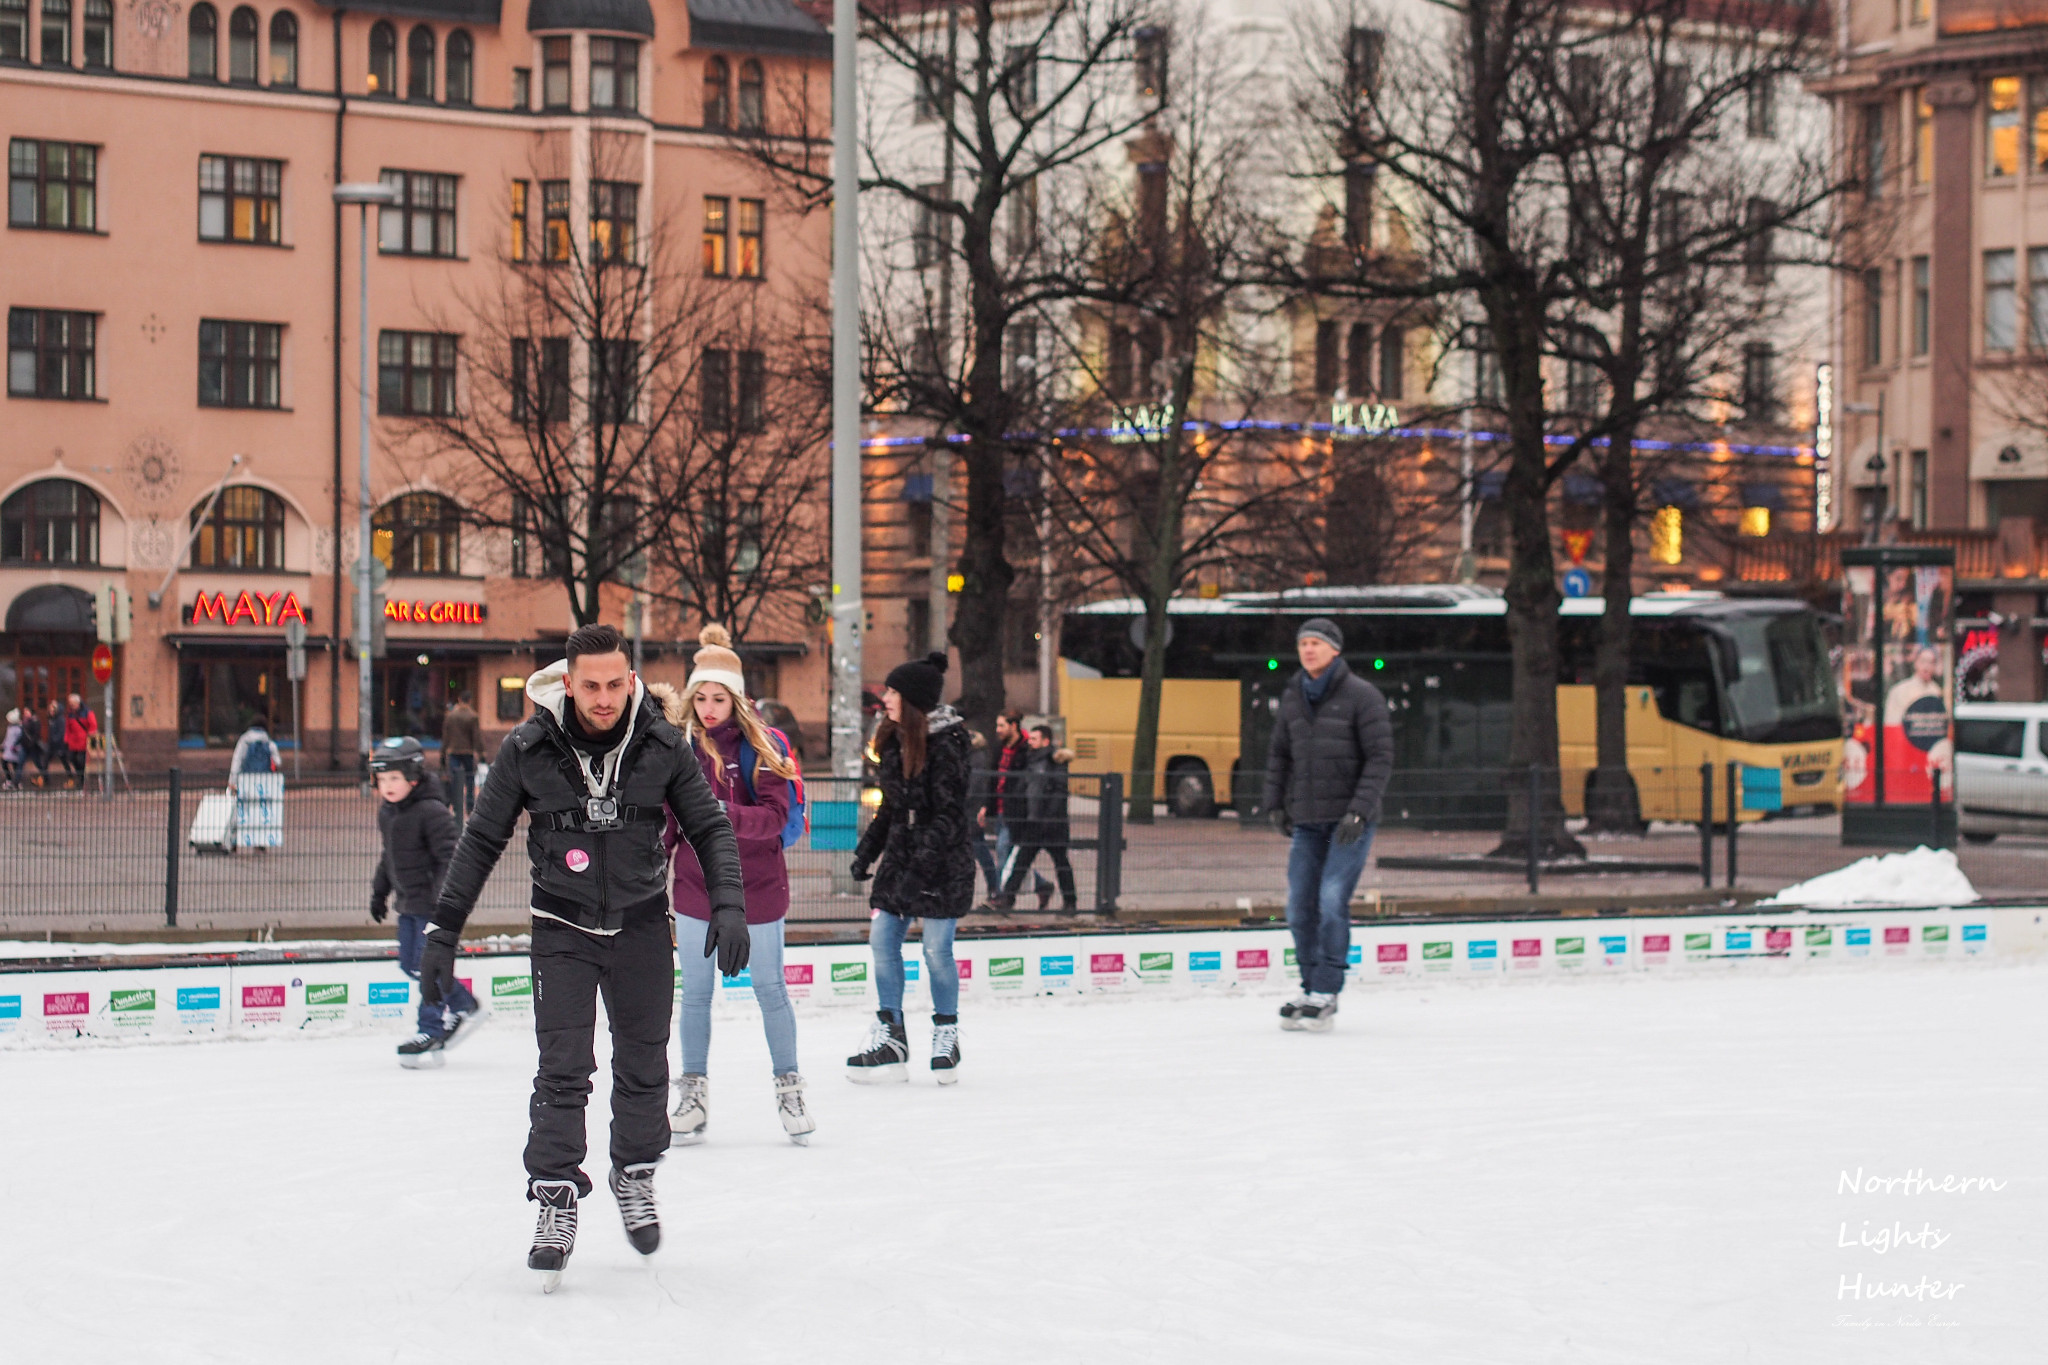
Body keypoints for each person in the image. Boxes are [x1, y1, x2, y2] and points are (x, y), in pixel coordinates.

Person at [424, 623, 746, 1291]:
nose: (603, 697)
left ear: (631, 681)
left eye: (614, 684)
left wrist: (729, 904)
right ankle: (555, 1198)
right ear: (567, 684)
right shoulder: (530, 747)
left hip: (640, 926)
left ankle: (634, 1172)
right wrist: (442, 931)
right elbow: (482, 837)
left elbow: (709, 825)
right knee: (562, 1068)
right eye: (590, 685)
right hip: (562, 926)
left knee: (643, 1062)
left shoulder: (662, 742)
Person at [658, 624, 815, 1148]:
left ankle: (789, 1087)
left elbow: (775, 816)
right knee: (696, 996)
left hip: (758, 888)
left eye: (717, 698)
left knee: (770, 989)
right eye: (699, 696)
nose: (707, 707)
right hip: (697, 888)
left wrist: (720, 813)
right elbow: (669, 822)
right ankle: (693, 1094)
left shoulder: (761, 746)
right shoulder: (680, 746)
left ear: (736, 699)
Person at [845, 652, 975, 1084]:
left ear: (914, 700)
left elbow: (948, 816)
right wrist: (867, 851)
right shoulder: (892, 740)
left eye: (893, 691)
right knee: (883, 942)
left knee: (936, 951)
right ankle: (892, 1036)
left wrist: (921, 867)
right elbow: (892, 810)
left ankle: (946, 1033)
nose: (885, 698)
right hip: (902, 859)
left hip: (942, 861)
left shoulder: (949, 744)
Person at [1261, 617, 1393, 1034]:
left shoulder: (1362, 696)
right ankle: (1309, 986)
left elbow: (1380, 758)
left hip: (1349, 821)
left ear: (1335, 650)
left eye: (1317, 643)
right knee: (1299, 905)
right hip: (1308, 821)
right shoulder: (1294, 696)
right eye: (1303, 643)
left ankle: (1326, 990)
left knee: (1332, 899)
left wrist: (1359, 811)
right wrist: (1275, 804)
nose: (1308, 650)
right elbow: (1279, 755)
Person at [369, 736, 485, 1068]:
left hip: (431, 906)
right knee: (410, 964)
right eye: (382, 780)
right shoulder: (388, 814)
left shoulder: (431, 812)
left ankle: (430, 1028)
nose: (388, 786)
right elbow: (388, 857)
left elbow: (450, 858)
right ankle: (464, 1003)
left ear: (413, 777)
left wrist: (443, 903)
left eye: (395, 778)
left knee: (426, 967)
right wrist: (380, 892)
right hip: (407, 904)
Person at [994, 724, 1078, 911]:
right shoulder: (1029, 760)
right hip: (1033, 823)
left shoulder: (1055, 762)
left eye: (1034, 738)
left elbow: (1059, 792)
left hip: (1051, 825)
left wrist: (1049, 817)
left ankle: (1070, 902)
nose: (1029, 742)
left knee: (1061, 863)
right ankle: (1007, 899)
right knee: (1021, 862)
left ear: (1045, 741)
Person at [979, 710, 1049, 908]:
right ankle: (1041, 885)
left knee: (1003, 850)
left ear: (1014, 726)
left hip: (1016, 810)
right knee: (1011, 856)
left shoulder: (1026, 750)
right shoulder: (1000, 748)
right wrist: (987, 806)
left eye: (1001, 725)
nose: (997, 730)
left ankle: (1001, 897)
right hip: (1001, 808)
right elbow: (993, 779)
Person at [229, 711, 283, 849]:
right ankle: (260, 842)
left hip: (246, 779)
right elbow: (277, 762)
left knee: (241, 808)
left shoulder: (244, 740)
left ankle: (234, 840)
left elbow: (237, 761)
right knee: (260, 810)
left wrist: (232, 781)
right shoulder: (268, 742)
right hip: (264, 781)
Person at [441, 690, 483, 824]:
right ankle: (469, 806)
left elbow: (445, 736)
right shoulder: (473, 716)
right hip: (467, 752)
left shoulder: (450, 715)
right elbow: (476, 736)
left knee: (454, 779)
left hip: (453, 750)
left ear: (459, 699)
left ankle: (455, 804)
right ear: (469, 700)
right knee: (469, 779)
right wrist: (480, 752)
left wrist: (443, 752)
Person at [63, 692, 96, 788]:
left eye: (72, 704)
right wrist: (66, 739)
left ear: (78, 703)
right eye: (70, 704)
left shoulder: (87, 712)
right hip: (73, 742)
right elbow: (68, 727)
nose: (71, 706)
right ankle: (80, 776)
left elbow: (93, 725)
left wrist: (91, 735)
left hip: (83, 741)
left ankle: (82, 779)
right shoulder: (70, 713)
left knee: (81, 760)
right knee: (72, 758)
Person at [2, 708, 23, 788]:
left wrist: (16, 747)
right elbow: (7, 738)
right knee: (5, 764)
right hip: (8, 750)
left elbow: (19, 740)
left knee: (15, 766)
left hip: (14, 751)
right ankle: (10, 780)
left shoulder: (18, 729)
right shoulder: (10, 728)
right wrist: (3, 745)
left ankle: (16, 782)